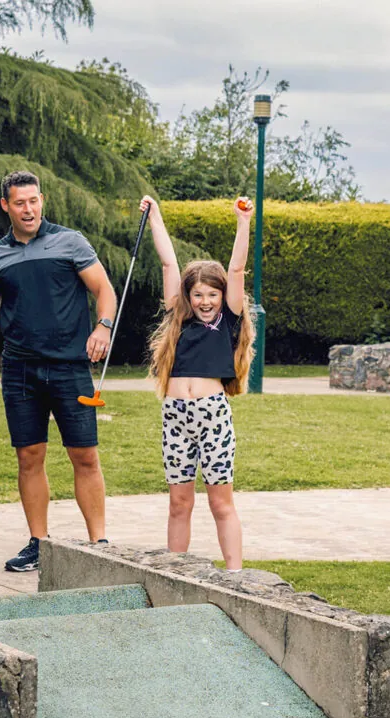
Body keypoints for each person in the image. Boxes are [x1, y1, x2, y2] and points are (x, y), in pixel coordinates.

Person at [0, 170, 117, 572]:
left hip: (70, 367)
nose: (28, 209)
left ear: (43, 200)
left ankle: (100, 544)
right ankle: (39, 544)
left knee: (84, 455)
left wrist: (103, 327)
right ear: (5, 206)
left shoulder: (71, 242)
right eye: (20, 203)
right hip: (20, 370)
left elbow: (104, 290)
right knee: (29, 457)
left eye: (34, 200)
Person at [142, 196, 256, 571]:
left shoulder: (228, 320)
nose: (205, 301)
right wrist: (155, 217)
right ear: (188, 297)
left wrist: (243, 223)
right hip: (175, 416)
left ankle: (235, 576)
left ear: (222, 296)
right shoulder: (180, 318)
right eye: (198, 295)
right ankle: (176, 573)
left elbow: (236, 268)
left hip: (212, 417)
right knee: (179, 503)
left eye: (212, 294)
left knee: (220, 503)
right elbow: (168, 263)